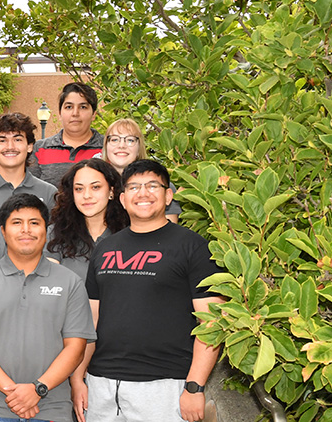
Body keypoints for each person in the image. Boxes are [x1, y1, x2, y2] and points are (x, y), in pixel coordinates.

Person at [75, 159, 225, 422]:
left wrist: (194, 386)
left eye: (152, 185)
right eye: (134, 187)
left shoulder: (193, 247)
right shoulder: (105, 248)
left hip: (164, 386)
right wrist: (78, 378)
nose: (142, 193)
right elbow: (91, 321)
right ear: (122, 199)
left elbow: (212, 323)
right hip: (101, 385)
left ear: (168, 195)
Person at [0, 193, 95, 422]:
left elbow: (76, 347)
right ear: (3, 231)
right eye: (16, 223)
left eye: (34, 223)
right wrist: (14, 392)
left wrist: (38, 389)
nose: (26, 230)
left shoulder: (70, 282)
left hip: (52, 407)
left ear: (46, 229)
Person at [46, 159, 129, 280]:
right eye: (79, 189)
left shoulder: (129, 232)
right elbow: (50, 283)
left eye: (95, 187)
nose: (86, 195)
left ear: (111, 191)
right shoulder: (56, 233)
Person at [98, 118, 182, 222]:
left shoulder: (161, 185)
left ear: (139, 147)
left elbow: (169, 233)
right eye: (115, 139)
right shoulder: (94, 186)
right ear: (106, 145)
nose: (121, 146)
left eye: (130, 140)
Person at [30, 82, 106, 186]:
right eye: (69, 107)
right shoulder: (39, 149)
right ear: (60, 113)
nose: (75, 113)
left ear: (93, 114)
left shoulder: (109, 147)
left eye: (83, 107)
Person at [0, 112, 57, 216]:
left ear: (29, 146)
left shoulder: (48, 193)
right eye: (2, 140)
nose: (10, 147)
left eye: (17, 140)